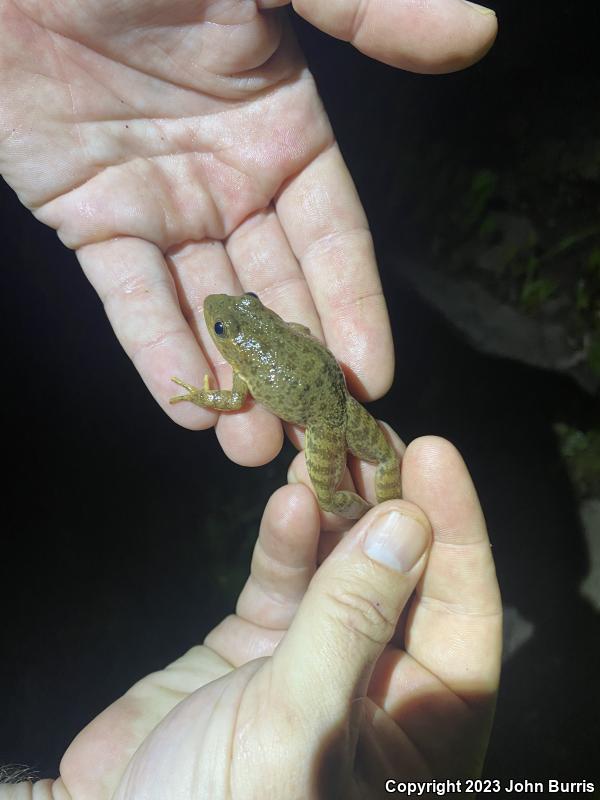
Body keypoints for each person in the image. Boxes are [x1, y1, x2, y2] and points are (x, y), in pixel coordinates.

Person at [0, 0, 496, 467]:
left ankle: (375, 508)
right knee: (375, 459)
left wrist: (201, 393)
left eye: (238, 312)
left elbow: (235, 397)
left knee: (371, 463)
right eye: (222, 330)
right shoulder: (255, 356)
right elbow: (294, 337)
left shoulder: (242, 369)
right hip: (320, 390)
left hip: (324, 400)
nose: (226, 309)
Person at [0, 435, 502, 798]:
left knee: (330, 497)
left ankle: (373, 520)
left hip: (324, 410)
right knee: (354, 478)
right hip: (329, 402)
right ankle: (373, 516)